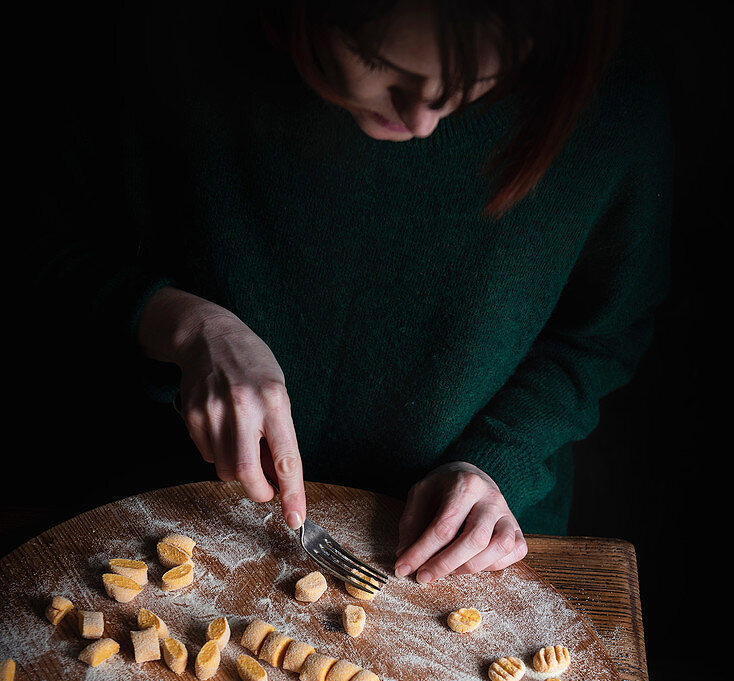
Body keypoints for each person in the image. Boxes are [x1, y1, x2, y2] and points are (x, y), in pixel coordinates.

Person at [31, 1, 671, 582]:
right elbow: (39, 241)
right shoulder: (157, 38)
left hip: (469, 551)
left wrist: (502, 455)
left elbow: (604, 332)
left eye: (473, 86)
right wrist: (176, 322)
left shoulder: (610, 90)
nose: (422, 120)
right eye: (376, 61)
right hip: (148, 505)